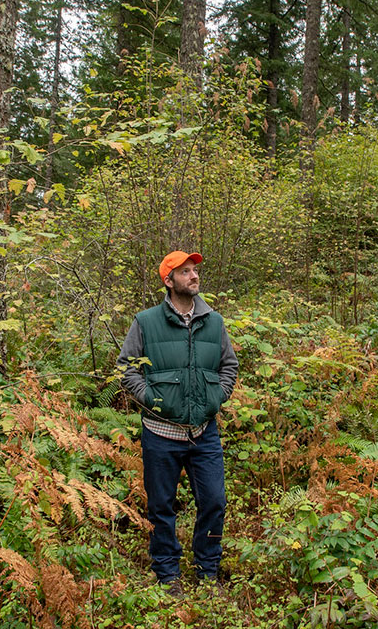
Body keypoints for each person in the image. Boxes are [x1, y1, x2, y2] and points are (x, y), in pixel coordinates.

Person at [116, 250, 239, 598]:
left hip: (204, 432)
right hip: (160, 434)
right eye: (185, 272)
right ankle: (168, 574)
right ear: (168, 281)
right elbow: (127, 367)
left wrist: (217, 397)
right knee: (161, 507)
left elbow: (228, 365)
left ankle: (208, 571)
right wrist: (155, 401)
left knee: (214, 501)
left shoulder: (214, 321)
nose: (194, 276)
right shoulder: (146, 321)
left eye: (195, 271)